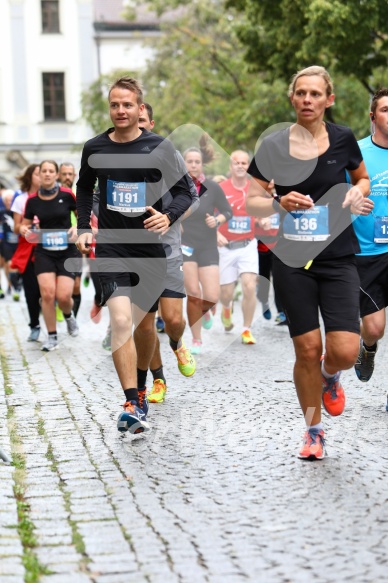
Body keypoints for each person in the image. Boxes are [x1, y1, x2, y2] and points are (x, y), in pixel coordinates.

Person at [246, 65, 370, 460]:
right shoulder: (273, 146)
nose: (307, 100)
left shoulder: (343, 139)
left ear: (328, 100)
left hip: (338, 259)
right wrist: (277, 200)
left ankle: (330, 376)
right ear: (292, 98)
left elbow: (361, 177)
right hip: (291, 260)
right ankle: (313, 431)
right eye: (301, 93)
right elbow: (252, 199)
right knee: (305, 350)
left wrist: (356, 194)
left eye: (316, 94)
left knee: (346, 350)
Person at [75, 77, 194, 434]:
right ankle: (131, 399)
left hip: (150, 251)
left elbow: (185, 193)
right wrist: (83, 226)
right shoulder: (94, 147)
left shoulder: (159, 147)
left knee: (144, 326)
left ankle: (143, 387)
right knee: (122, 322)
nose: (121, 111)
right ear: (109, 108)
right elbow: (84, 187)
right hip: (111, 247)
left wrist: (167, 215)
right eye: (115, 105)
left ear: (140, 108)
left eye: (127, 105)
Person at [135, 102, 199, 404]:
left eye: (143, 122)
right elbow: (98, 196)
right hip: (133, 252)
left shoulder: (167, 153)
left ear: (151, 122)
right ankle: (158, 379)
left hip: (167, 249)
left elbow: (191, 197)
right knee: (145, 323)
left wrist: (169, 218)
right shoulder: (116, 155)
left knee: (173, 319)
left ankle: (176, 342)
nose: (139, 128)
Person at [20, 160, 80, 351]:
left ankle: (69, 316)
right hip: (44, 251)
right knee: (47, 294)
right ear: (39, 175)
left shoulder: (67, 195)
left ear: (56, 175)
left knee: (63, 297)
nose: (46, 174)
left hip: (67, 252)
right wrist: (24, 229)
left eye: (50, 171)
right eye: (43, 171)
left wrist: (77, 227)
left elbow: (82, 218)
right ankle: (52, 336)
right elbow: (25, 223)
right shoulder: (32, 200)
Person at [181, 137, 232, 354]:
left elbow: (228, 211)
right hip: (186, 245)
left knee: (211, 296)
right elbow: (165, 212)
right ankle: (196, 339)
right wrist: (176, 222)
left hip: (208, 244)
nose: (193, 165)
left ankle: (207, 310)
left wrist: (218, 220)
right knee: (193, 293)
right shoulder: (177, 188)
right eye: (189, 161)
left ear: (202, 164)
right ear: (183, 164)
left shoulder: (212, 187)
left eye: (197, 162)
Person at [352, 88, 388, 384]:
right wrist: (352, 205)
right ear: (373, 116)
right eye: (386, 109)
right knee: (375, 327)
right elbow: (336, 196)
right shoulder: (357, 153)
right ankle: (368, 347)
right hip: (367, 252)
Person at [218, 150, 259, 344]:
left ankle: (246, 329)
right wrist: (215, 233)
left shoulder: (255, 188)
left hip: (248, 244)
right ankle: (226, 308)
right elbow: (207, 214)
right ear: (231, 166)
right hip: (226, 246)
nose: (241, 166)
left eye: (244, 163)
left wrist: (264, 219)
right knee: (225, 294)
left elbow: (264, 210)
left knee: (249, 286)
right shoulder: (220, 188)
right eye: (237, 163)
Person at [10, 164, 42, 340]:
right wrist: (24, 228)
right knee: (31, 290)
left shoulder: (51, 195)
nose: (42, 176)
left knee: (48, 289)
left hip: (48, 247)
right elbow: (16, 227)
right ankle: (34, 324)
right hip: (28, 248)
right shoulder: (20, 199)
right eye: (38, 174)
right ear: (30, 177)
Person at [58, 162, 82, 320]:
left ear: (74, 176)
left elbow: (85, 217)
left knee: (76, 285)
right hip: (56, 245)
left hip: (76, 245)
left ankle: (72, 317)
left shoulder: (79, 193)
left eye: (70, 174)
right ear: (59, 175)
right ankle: (61, 308)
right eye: (64, 174)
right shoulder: (54, 194)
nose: (67, 177)